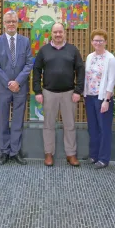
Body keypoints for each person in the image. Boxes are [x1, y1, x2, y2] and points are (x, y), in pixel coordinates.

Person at [33, 22, 85, 167]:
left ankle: (71, 154)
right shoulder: (44, 51)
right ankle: (49, 154)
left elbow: (80, 71)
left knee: (70, 125)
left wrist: (78, 91)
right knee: (48, 125)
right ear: (51, 33)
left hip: (69, 93)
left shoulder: (73, 50)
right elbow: (36, 71)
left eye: (60, 32)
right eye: (55, 32)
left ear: (64, 33)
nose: (58, 35)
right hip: (49, 93)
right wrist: (37, 91)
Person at [0, 11, 33, 165]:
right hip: (3, 88)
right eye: (8, 21)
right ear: (4, 23)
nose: (11, 24)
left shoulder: (25, 41)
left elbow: (29, 63)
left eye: (14, 21)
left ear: (18, 23)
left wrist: (18, 82)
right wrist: (9, 82)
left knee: (17, 121)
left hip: (20, 88)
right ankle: (4, 152)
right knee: (3, 120)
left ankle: (15, 151)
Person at [83, 29, 115, 169]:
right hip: (89, 97)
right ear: (92, 42)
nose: (98, 43)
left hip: (102, 98)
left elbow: (111, 80)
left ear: (106, 42)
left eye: (100, 40)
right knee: (93, 128)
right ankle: (93, 155)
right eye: (95, 40)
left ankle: (103, 158)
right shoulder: (90, 56)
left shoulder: (110, 58)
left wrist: (106, 100)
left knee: (104, 129)